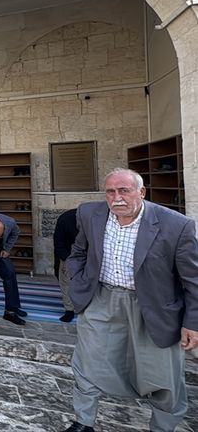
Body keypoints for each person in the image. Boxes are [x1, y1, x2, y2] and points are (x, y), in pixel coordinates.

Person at [63, 168, 198, 432]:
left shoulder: (176, 225)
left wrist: (193, 321)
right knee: (87, 361)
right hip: (102, 298)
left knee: (163, 374)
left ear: (142, 192)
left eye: (124, 191)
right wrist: (78, 282)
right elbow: (78, 251)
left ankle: (163, 426)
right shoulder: (90, 214)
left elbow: (193, 279)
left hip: (154, 307)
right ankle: (83, 421)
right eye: (110, 192)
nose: (117, 198)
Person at [53, 208, 79, 323]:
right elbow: (59, 243)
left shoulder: (94, 221)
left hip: (88, 253)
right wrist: (66, 261)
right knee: (66, 280)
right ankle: (69, 310)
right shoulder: (65, 219)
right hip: (68, 252)